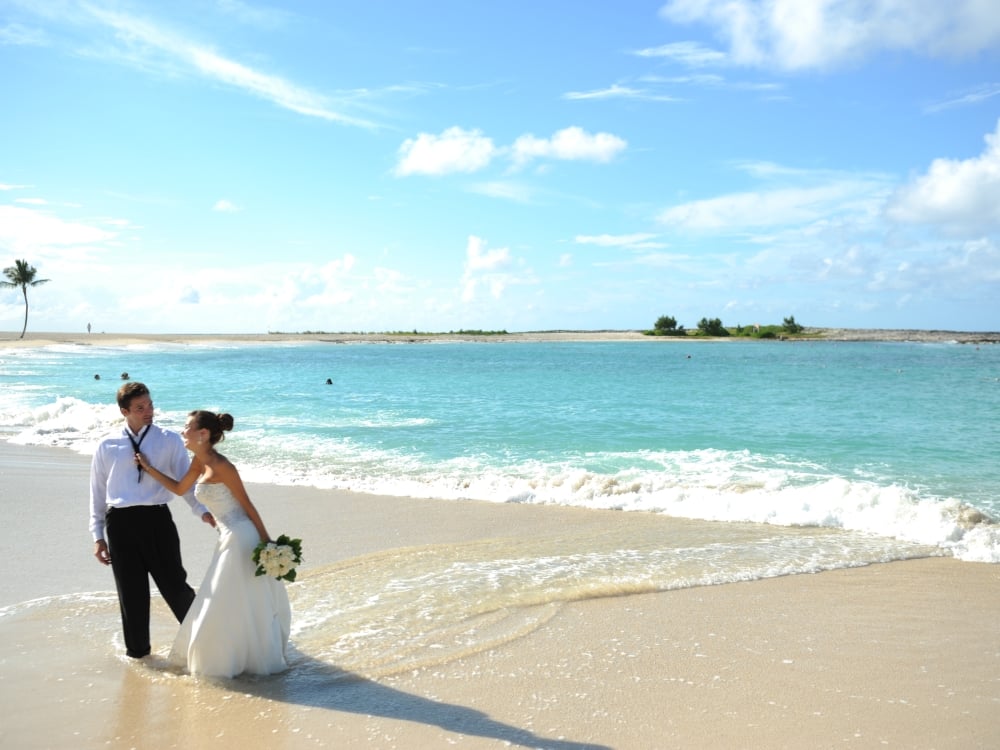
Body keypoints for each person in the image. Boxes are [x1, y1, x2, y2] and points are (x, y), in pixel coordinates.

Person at [136, 410, 291, 677]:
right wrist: (148, 468)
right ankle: (231, 658)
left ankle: (220, 664)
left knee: (221, 600)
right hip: (226, 536)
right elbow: (179, 488)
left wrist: (268, 543)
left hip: (241, 536)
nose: (183, 431)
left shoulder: (223, 466)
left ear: (203, 434)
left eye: (187, 427)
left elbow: (247, 505)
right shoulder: (198, 461)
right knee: (231, 600)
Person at [90, 382, 215, 659]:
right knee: (131, 595)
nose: (149, 411)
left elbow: (186, 482)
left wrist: (202, 511)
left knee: (175, 586)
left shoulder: (169, 440)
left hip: (157, 519)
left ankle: (209, 645)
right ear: (125, 411)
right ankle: (139, 655)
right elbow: (98, 492)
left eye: (150, 405)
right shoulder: (107, 444)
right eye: (140, 408)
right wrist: (97, 535)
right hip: (119, 524)